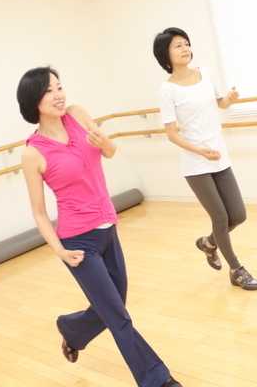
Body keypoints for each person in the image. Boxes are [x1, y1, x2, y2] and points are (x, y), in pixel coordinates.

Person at [17, 66, 182, 387]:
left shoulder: (78, 115)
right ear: (33, 100)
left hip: (108, 228)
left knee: (113, 305)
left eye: (59, 87)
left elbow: (108, 152)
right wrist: (60, 251)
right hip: (78, 242)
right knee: (118, 317)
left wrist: (105, 141)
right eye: (49, 91)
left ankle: (72, 329)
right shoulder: (32, 152)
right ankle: (157, 379)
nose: (58, 95)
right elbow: (38, 212)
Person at [153, 27, 257, 291]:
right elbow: (171, 134)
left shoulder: (205, 73)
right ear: (165, 54)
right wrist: (200, 151)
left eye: (186, 43)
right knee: (220, 218)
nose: (185, 48)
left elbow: (220, 102)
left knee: (238, 215)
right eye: (178, 45)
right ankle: (236, 270)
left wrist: (229, 100)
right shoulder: (167, 90)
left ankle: (208, 243)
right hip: (196, 164)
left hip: (219, 156)